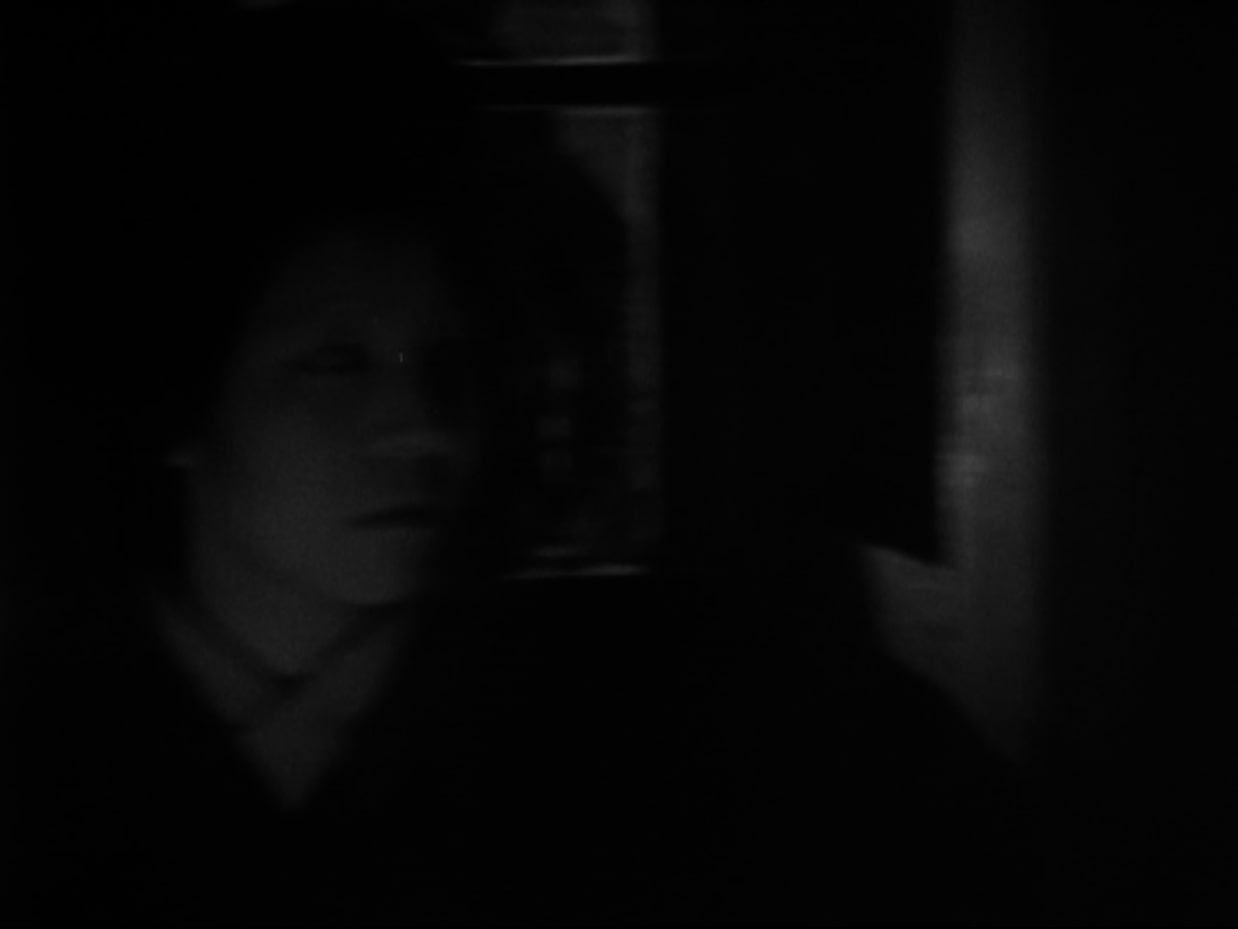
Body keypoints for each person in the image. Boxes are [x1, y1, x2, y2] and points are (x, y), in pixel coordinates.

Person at [3, 3, 1040, 925]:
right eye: (334, 362)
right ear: (178, 396)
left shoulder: (671, 721)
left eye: (449, 358)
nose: (421, 425)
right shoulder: (51, 757)